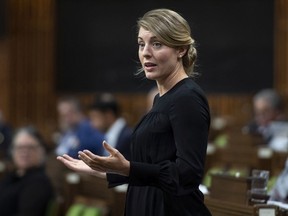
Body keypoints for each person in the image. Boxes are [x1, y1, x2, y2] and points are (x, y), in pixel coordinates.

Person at [57, 8, 212, 216]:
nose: (146, 52)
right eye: (141, 44)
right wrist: (103, 169)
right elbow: (149, 169)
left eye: (157, 44)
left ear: (181, 49)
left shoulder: (187, 98)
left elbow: (188, 174)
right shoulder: (161, 99)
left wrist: (127, 168)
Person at [0, 126, 54, 216]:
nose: (24, 152)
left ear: (41, 151)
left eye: (30, 147)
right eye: (19, 147)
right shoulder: (13, 176)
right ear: (12, 151)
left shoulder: (39, 182)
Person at [88, 93, 132, 160]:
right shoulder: (109, 135)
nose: (92, 124)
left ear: (109, 115)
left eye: (95, 117)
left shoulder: (127, 136)